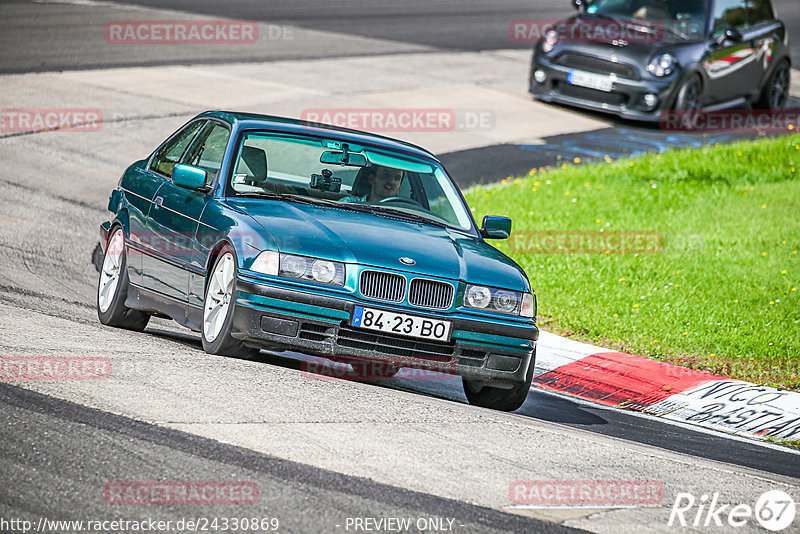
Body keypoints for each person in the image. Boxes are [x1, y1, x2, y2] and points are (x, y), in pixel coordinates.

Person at [339, 165, 404, 203]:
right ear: (371, 179)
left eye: (397, 178)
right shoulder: (348, 203)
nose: (391, 181)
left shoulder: (404, 213)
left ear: (399, 187)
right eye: (385, 175)